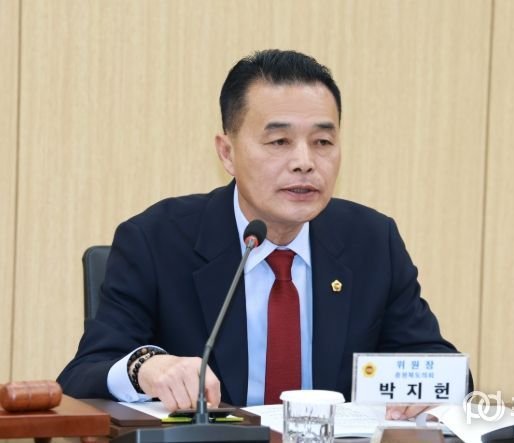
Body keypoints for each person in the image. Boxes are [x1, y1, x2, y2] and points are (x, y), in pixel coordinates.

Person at [58, 49, 470, 420]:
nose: (305, 162)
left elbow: (442, 367)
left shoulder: (372, 241)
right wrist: (144, 366)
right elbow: (83, 374)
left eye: (323, 141)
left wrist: (431, 394)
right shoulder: (156, 240)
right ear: (227, 152)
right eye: (279, 141)